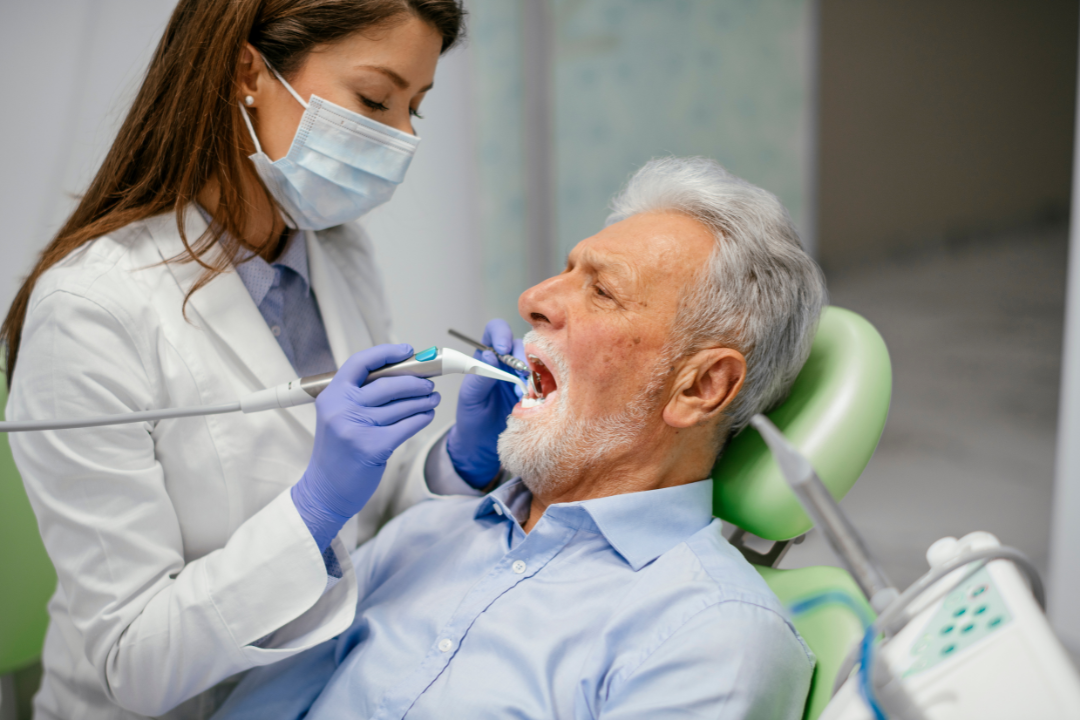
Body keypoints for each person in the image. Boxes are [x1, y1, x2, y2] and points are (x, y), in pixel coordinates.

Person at [3, 2, 525, 719]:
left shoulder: (338, 253)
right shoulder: (92, 309)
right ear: (249, 70)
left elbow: (373, 503)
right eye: (375, 99)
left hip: (327, 687)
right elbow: (132, 664)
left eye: (416, 109)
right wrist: (310, 512)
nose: (402, 138)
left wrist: (454, 464)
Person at [211, 156, 828, 720]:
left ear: (701, 388)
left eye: (603, 291)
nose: (532, 300)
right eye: (564, 271)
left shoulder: (714, 638)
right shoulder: (426, 534)